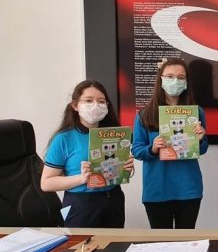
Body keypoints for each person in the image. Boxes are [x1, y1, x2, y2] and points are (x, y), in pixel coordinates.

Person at [41, 80, 134, 228]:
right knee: (81, 243)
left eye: (101, 101)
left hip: (113, 198)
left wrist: (126, 167)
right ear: (75, 105)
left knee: (114, 242)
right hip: (81, 202)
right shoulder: (64, 139)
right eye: (89, 100)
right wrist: (82, 178)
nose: (96, 105)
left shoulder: (115, 135)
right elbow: (46, 183)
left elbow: (115, 170)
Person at [132, 58, 208, 229]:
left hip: (188, 189)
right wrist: (152, 148)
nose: (175, 81)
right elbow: (136, 150)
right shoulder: (144, 115)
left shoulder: (196, 112)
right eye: (170, 76)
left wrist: (200, 139)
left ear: (186, 82)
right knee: (161, 241)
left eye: (181, 77)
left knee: (186, 240)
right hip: (157, 190)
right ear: (161, 79)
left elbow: (203, 149)